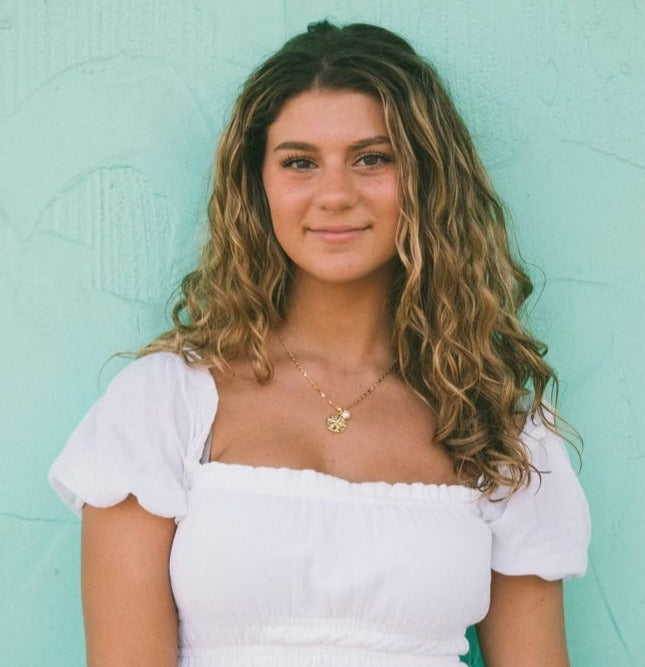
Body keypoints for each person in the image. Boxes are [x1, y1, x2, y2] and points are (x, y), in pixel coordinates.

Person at [49, 20, 590, 667]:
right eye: (300, 162)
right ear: (258, 183)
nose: (335, 195)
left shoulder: (498, 427)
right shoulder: (162, 402)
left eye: (372, 158)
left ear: (426, 179)